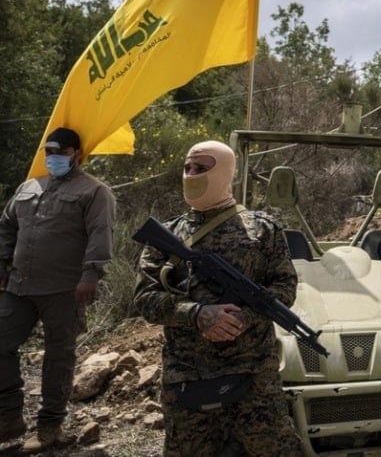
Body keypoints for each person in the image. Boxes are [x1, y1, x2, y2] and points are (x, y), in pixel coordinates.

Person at [132, 140, 302, 456]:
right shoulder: (168, 234)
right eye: (187, 168)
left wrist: (242, 317)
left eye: (201, 168)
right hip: (188, 374)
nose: (191, 174)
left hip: (254, 373)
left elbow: (285, 287)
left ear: (224, 172)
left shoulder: (263, 229)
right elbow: (145, 298)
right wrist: (197, 314)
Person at [0, 127, 115, 451]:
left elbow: (100, 234)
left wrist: (90, 275)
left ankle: (50, 428)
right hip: (19, 285)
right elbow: (7, 225)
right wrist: (1, 263)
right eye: (48, 152)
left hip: (65, 289)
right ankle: (8, 418)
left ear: (75, 154)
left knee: (58, 358)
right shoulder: (29, 187)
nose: (53, 158)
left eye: (60, 153)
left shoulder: (94, 191)